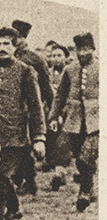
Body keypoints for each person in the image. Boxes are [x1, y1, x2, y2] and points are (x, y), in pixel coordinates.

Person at [0, 27, 46, 220]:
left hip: (15, 137)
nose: (1, 48)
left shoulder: (26, 71)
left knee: (0, 178)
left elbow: (36, 106)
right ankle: (15, 206)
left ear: (15, 46)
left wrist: (39, 137)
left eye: (6, 44)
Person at [49, 32, 98, 212]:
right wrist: (53, 116)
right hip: (75, 120)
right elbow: (60, 95)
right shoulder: (70, 70)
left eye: (86, 49)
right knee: (78, 157)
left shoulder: (101, 68)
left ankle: (84, 192)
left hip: (96, 121)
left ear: (93, 49)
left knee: (87, 157)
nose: (83, 53)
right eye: (80, 49)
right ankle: (89, 186)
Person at [11, 19, 53, 196]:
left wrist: (49, 108)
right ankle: (23, 179)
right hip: (12, 109)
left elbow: (46, 86)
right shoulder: (7, 56)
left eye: (17, 37)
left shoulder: (35, 59)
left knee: (25, 146)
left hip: (29, 108)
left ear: (23, 38)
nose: (14, 42)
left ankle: (28, 180)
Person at [45, 42, 74, 191]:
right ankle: (59, 171)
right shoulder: (48, 74)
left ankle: (61, 172)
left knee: (63, 143)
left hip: (69, 113)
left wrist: (63, 114)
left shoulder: (70, 73)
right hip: (51, 113)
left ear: (66, 57)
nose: (56, 59)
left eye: (59, 55)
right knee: (52, 141)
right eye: (53, 56)